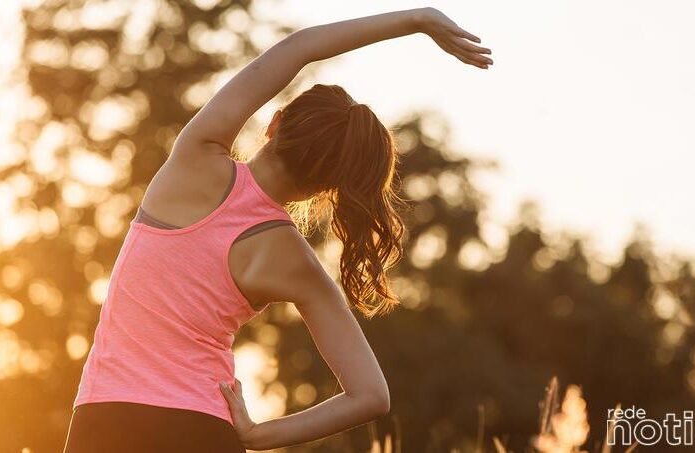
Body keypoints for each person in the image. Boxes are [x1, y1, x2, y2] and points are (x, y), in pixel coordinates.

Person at [63, 7, 492, 452]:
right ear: (327, 188)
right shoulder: (296, 261)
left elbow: (299, 48)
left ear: (275, 123)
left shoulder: (195, 160)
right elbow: (371, 396)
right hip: (204, 430)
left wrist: (417, 20)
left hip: (106, 419)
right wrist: (257, 435)